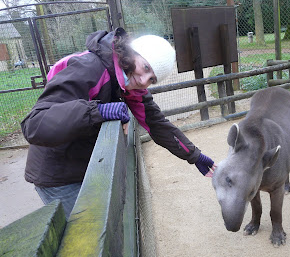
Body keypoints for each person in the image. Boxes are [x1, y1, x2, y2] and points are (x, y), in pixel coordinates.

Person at [21, 27, 216, 218]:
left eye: (152, 79)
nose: (144, 80)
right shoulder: (90, 68)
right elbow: (34, 124)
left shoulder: (128, 86)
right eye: (146, 67)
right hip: (59, 175)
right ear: (131, 53)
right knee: (89, 240)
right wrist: (97, 111)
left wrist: (195, 156)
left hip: (87, 167)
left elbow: (157, 124)